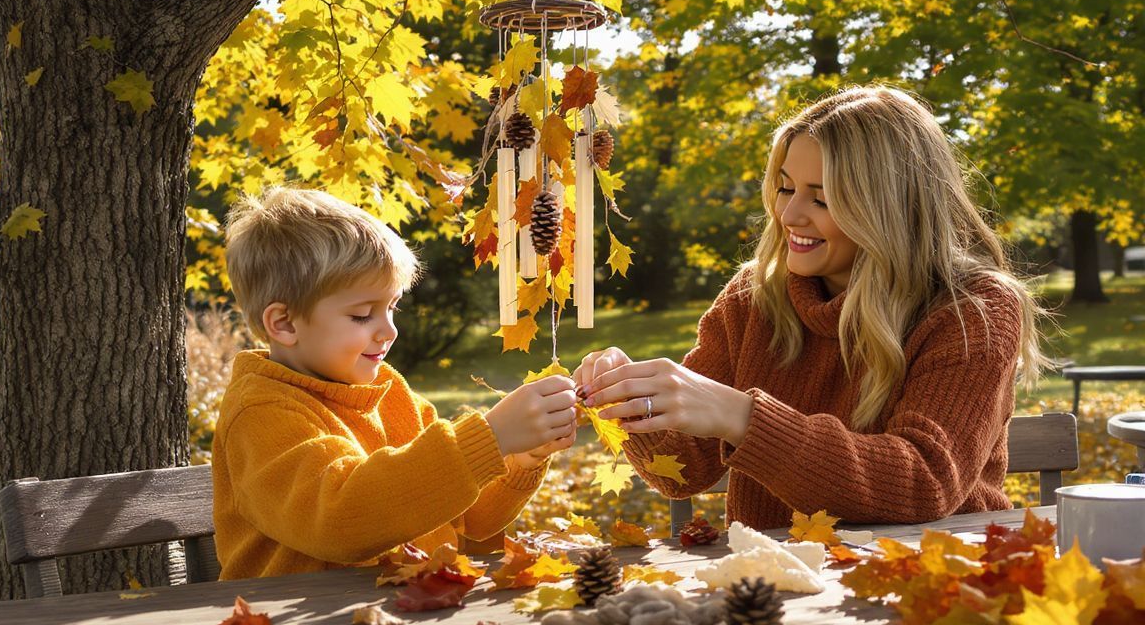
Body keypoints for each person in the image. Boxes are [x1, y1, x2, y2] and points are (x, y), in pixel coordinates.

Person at [574, 85, 1050, 528]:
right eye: (785, 188)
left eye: (821, 199)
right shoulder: (754, 299)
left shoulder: (975, 309)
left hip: (929, 576)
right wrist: (633, 402)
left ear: (888, 208)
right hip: (780, 583)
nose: (789, 214)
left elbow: (923, 482)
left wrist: (742, 417)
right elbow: (682, 472)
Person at [213, 186, 577, 579]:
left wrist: (520, 458)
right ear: (284, 324)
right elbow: (341, 520)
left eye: (391, 308)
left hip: (399, 614)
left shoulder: (393, 394)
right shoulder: (263, 413)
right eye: (362, 315)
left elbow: (465, 519)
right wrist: (488, 438)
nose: (389, 331)